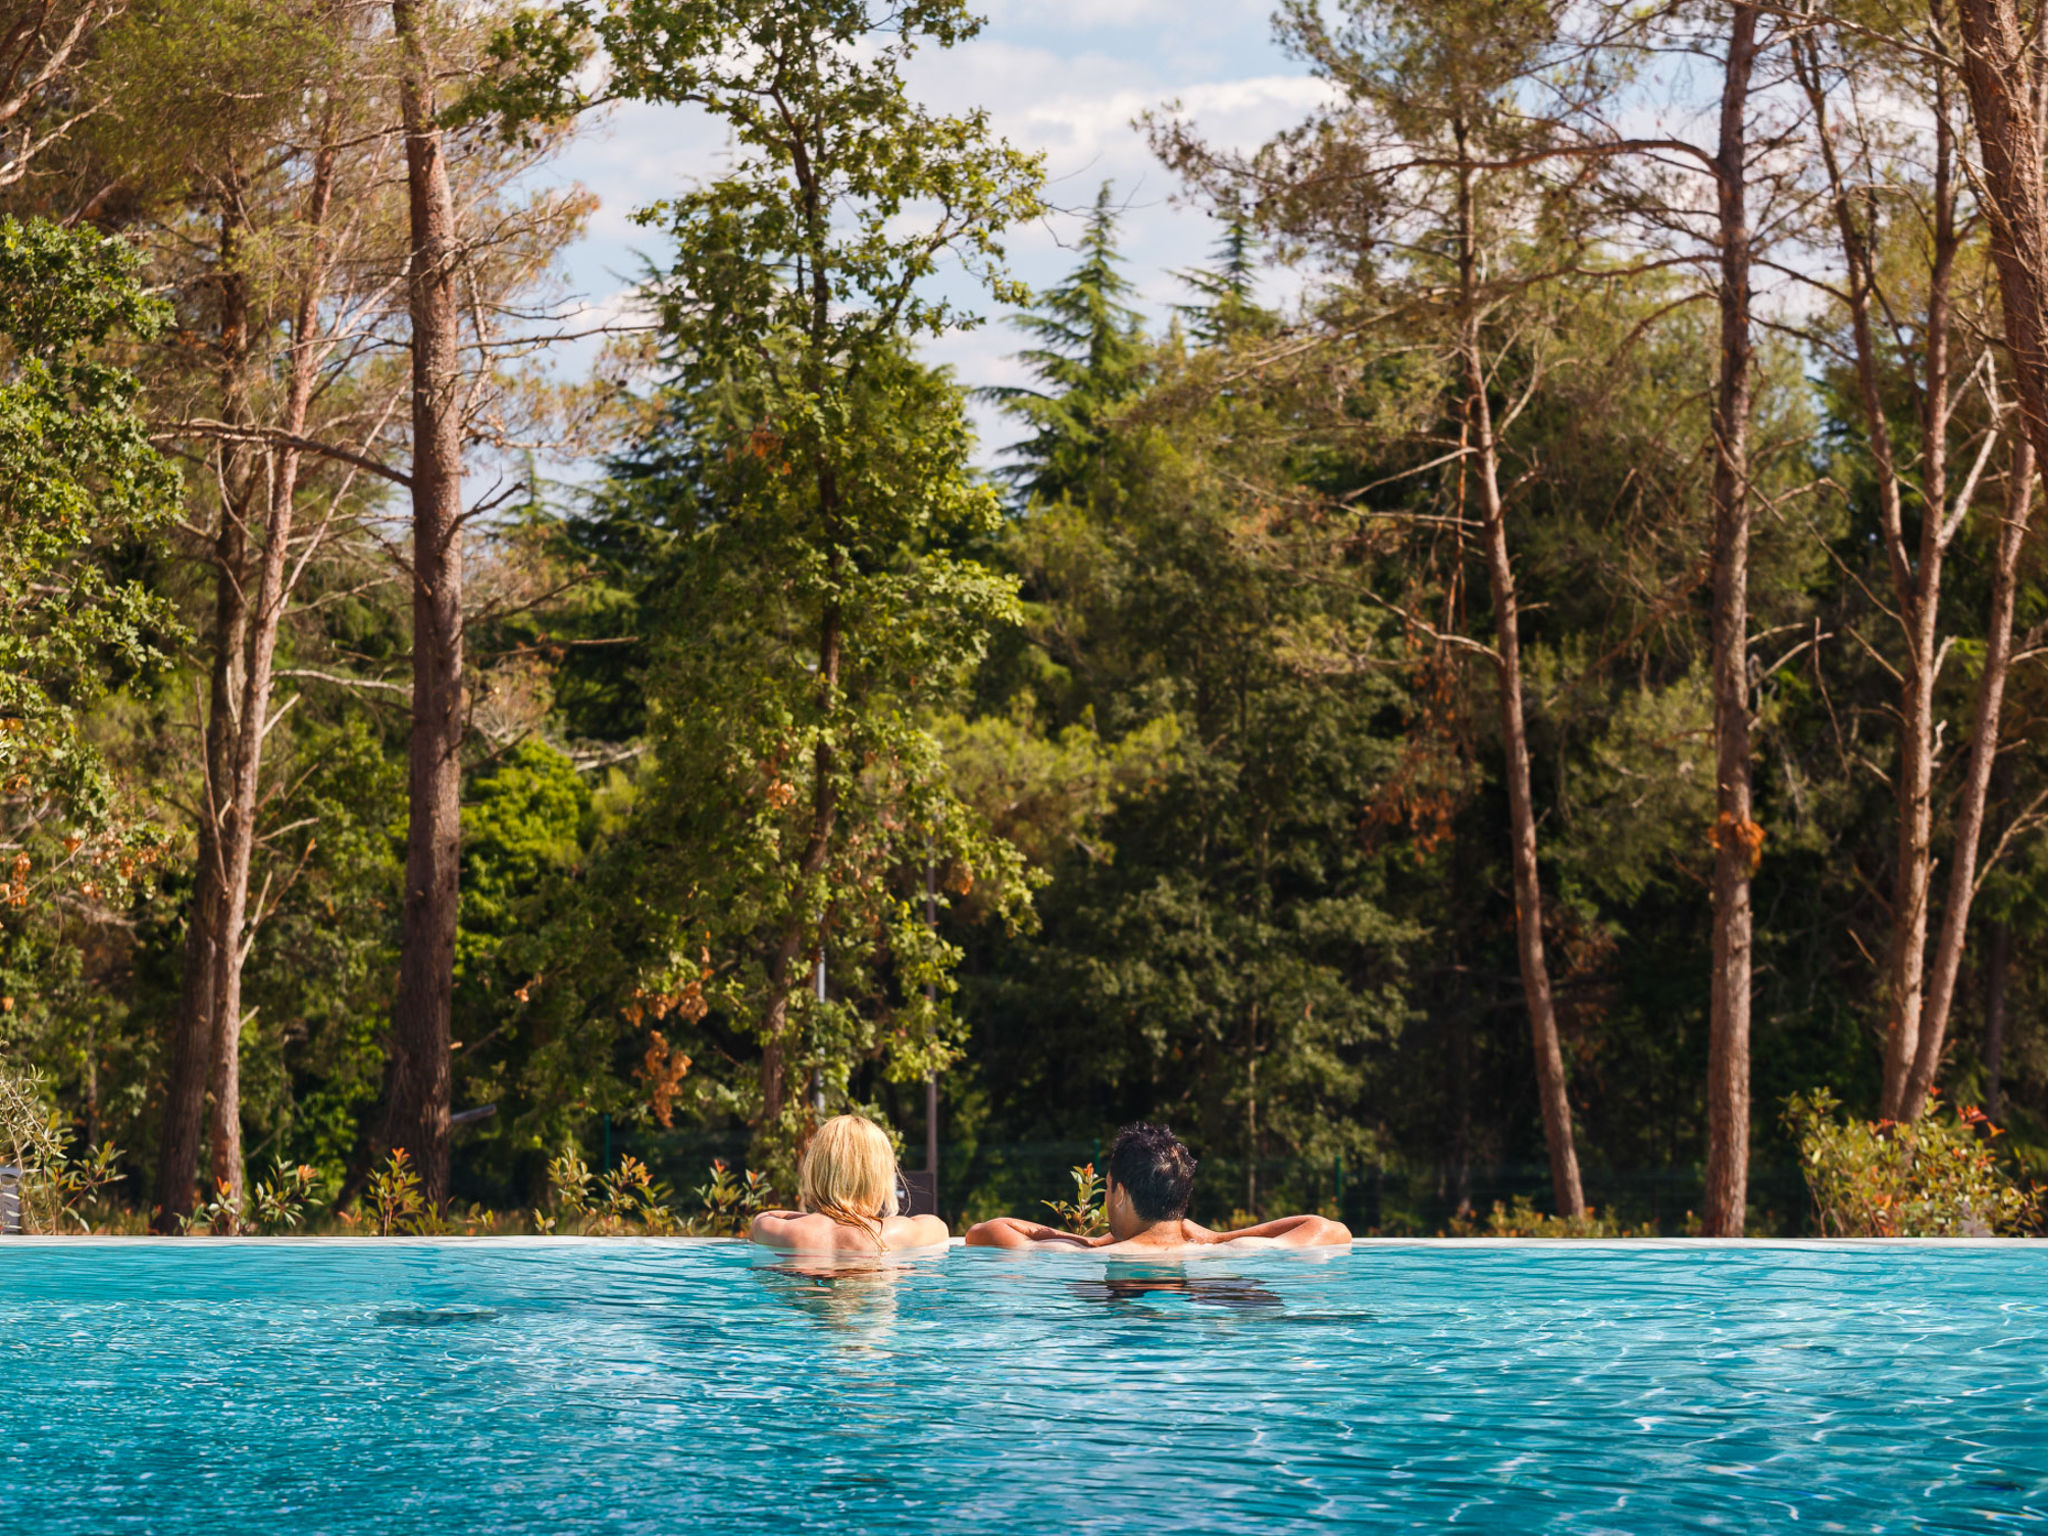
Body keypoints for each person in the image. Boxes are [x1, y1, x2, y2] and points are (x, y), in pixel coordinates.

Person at [963, 1121, 1351, 1254]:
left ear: (1119, 1193)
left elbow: (982, 1233)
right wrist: (1217, 1239)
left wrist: (1091, 1243)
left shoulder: (1081, 1257)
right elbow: (1331, 1230)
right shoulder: (1227, 1252)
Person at [748, 1113, 950, 1254]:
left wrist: (810, 1217)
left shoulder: (780, 1231)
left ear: (816, 1170)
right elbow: (939, 1228)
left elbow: (762, 1219)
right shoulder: (892, 1233)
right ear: (877, 1177)